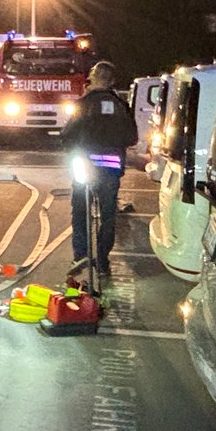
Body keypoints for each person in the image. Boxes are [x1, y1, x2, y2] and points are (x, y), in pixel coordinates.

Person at [64, 59, 135, 284]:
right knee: (108, 215)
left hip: (85, 166)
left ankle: (81, 256)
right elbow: (132, 137)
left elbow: (67, 135)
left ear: (93, 78)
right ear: (112, 81)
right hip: (111, 168)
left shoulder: (83, 104)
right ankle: (103, 260)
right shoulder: (121, 105)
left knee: (80, 210)